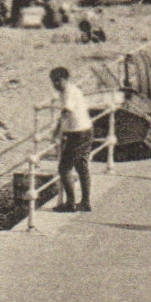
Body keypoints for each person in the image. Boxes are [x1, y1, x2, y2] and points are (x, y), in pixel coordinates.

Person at [50, 66, 93, 213]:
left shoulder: (69, 91)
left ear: (65, 79)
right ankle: (85, 202)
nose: (55, 84)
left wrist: (56, 130)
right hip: (83, 130)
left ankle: (71, 203)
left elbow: (67, 111)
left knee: (64, 167)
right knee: (81, 166)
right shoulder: (68, 91)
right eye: (53, 81)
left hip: (79, 133)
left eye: (58, 81)